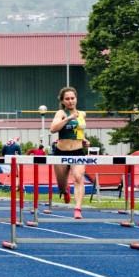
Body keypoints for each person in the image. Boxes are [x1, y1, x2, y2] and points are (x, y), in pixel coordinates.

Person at [50, 87, 90, 219]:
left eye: (72, 98)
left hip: (77, 152)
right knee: (62, 186)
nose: (70, 101)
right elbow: (53, 129)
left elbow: (78, 131)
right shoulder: (61, 113)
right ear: (62, 100)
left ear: (76, 99)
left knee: (78, 178)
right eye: (67, 99)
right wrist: (68, 118)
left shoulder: (82, 114)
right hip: (61, 152)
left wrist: (83, 140)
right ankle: (65, 191)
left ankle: (78, 208)